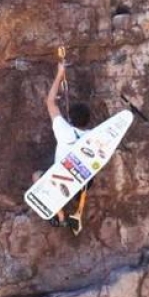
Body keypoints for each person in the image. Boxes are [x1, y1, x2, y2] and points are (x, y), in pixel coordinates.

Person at [38, 58, 92, 230]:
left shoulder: (64, 131)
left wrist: (59, 74)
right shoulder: (91, 137)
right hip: (80, 182)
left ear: (70, 118)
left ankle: (60, 216)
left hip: (60, 179)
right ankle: (77, 209)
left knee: (37, 176)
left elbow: (50, 102)